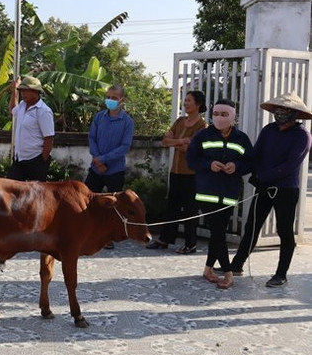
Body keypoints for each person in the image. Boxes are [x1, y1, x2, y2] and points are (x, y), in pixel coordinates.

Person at [227, 91, 312, 287]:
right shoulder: (268, 130)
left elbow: (291, 165)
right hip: (263, 187)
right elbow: (255, 156)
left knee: (284, 230)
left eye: (285, 110)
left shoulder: (302, 136)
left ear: (294, 114)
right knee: (252, 226)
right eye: (278, 110)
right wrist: (239, 168)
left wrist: (263, 177)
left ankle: (281, 273)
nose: (280, 113)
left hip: (285, 189)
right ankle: (237, 265)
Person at [186, 98, 254, 290]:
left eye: (224, 114)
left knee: (218, 234)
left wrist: (237, 166)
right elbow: (191, 159)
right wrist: (208, 165)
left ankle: (208, 269)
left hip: (229, 193)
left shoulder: (242, 139)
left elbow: (250, 162)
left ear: (233, 117)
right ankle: (228, 273)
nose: (219, 118)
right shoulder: (202, 136)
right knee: (218, 232)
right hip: (207, 192)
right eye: (216, 114)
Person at [146, 90, 207, 254]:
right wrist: (180, 141)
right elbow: (165, 141)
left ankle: (191, 243)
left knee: (190, 209)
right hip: (176, 171)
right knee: (171, 206)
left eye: (189, 100)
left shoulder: (202, 126)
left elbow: (190, 148)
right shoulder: (180, 121)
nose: (185, 103)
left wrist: (179, 143)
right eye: (185, 100)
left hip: (191, 174)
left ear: (198, 104)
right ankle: (165, 239)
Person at [85, 84, 134, 249]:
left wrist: (104, 160)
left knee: (113, 205)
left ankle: (109, 236)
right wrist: (97, 159)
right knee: (88, 200)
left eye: (114, 98)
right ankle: (87, 232)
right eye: (108, 97)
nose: (110, 100)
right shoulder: (99, 117)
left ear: (122, 100)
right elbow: (92, 138)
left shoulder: (127, 122)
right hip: (95, 168)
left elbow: (124, 146)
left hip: (115, 169)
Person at [6, 76, 55, 182]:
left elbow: (49, 138)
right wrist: (15, 91)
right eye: (21, 90)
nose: (23, 93)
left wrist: (43, 159)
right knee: (12, 189)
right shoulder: (22, 106)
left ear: (35, 91)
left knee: (36, 194)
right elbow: (12, 110)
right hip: (20, 158)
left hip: (36, 158)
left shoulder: (43, 111)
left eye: (25, 90)